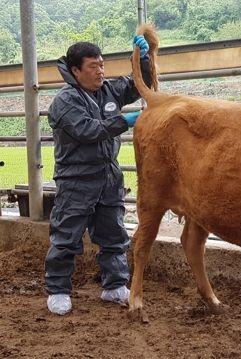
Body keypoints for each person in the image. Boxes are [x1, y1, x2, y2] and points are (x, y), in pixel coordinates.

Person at [44, 35, 152, 315]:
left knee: (113, 233)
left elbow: (140, 84)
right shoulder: (65, 101)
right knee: (66, 237)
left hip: (108, 176)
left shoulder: (108, 91)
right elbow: (87, 130)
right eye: (93, 67)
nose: (100, 71)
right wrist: (124, 121)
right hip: (76, 179)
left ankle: (115, 285)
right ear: (76, 71)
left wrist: (144, 60)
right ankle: (57, 290)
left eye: (102, 65)